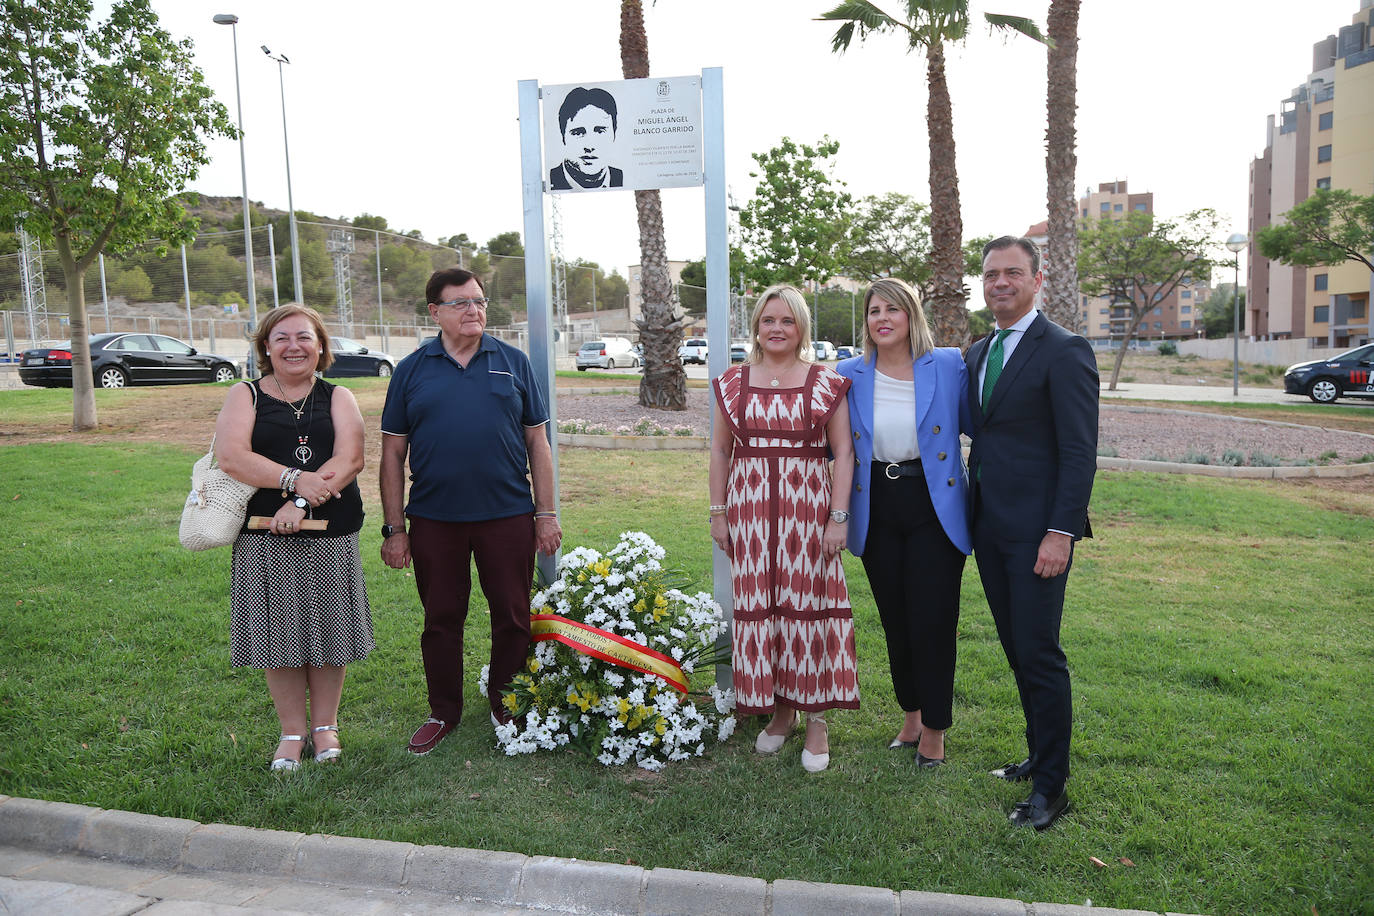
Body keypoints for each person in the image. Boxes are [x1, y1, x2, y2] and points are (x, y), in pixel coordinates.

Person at [380, 267, 561, 756]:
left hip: (507, 514)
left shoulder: (513, 362)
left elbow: (537, 442)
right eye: (460, 302)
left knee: (512, 615)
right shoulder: (413, 369)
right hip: (435, 518)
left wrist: (545, 514)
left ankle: (507, 703)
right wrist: (395, 528)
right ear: (434, 311)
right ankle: (443, 712)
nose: (473, 310)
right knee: (442, 618)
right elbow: (393, 454)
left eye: (479, 301)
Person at [966, 236, 1099, 830]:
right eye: (991, 274)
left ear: (1037, 280)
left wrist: (1060, 532)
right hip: (988, 530)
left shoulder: (1065, 351)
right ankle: (1038, 757)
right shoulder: (977, 352)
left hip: (1039, 536)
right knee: (1018, 650)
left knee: (1040, 654)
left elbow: (1079, 452)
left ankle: (1052, 790)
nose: (1000, 283)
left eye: (1012, 273)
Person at [214, 304, 372, 772]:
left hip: (331, 532)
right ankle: (291, 732)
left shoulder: (338, 396)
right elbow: (231, 457)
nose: (293, 346)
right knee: (278, 638)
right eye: (281, 338)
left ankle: (325, 727)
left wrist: (299, 501)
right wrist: (293, 480)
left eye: (304, 337)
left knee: (329, 634)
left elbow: (351, 459)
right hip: (264, 537)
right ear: (265, 346)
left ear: (320, 345)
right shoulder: (244, 395)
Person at [708, 284, 856, 773]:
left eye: (787, 321)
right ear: (756, 326)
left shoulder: (823, 382)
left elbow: (845, 453)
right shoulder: (732, 382)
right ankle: (781, 712)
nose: (777, 329)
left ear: (801, 329)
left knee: (806, 609)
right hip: (749, 512)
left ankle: (816, 720)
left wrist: (838, 519)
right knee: (764, 610)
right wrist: (718, 511)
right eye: (769, 320)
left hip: (807, 512)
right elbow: (719, 451)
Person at [836, 278, 971, 769]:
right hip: (877, 503)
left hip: (934, 505)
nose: (883, 318)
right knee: (895, 619)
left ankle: (935, 729)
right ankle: (911, 715)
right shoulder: (848, 373)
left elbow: (982, 424)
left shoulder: (950, 364)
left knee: (933, 620)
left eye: (893, 309)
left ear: (912, 315)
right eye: (874, 311)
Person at [548, 87, 624, 190]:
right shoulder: (550, 180)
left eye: (600, 131)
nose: (590, 146)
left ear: (614, 134)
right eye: (578, 133)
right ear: (563, 136)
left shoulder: (624, 178)